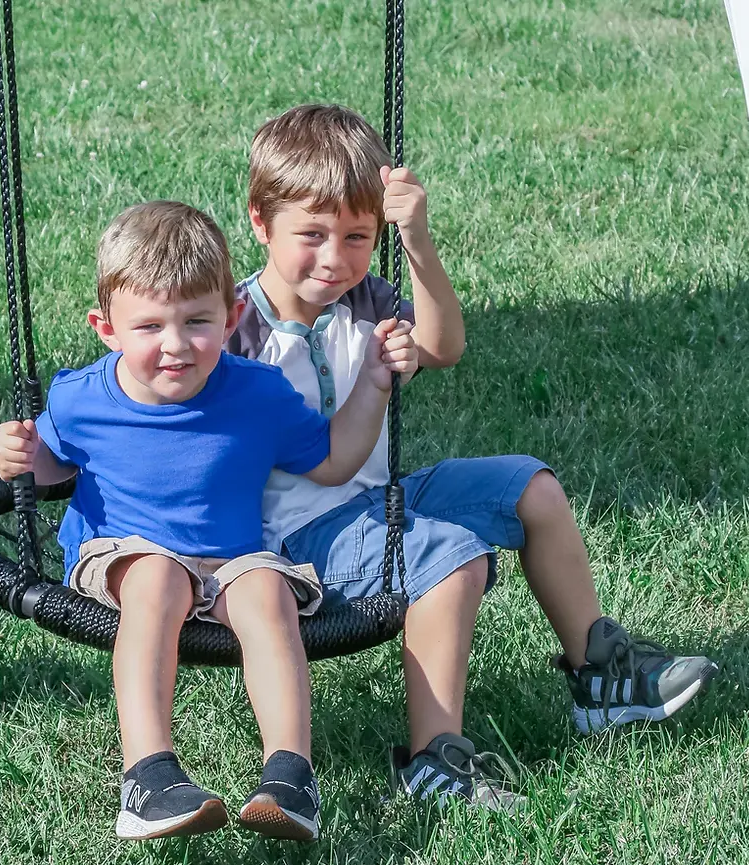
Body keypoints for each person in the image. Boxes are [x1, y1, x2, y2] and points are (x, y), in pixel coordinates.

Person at [226, 104, 718, 810]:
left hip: (373, 501)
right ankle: (434, 761)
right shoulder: (234, 329)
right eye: (312, 235)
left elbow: (446, 344)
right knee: (452, 555)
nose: (335, 259)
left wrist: (416, 240)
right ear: (259, 221)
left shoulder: (365, 300)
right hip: (294, 544)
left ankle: (600, 678)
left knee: (532, 487)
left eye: (358, 237)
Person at [0, 201, 417, 840]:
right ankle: (148, 775)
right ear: (106, 329)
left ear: (233, 316)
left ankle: (291, 775)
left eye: (197, 322)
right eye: (148, 327)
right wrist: (23, 458)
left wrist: (375, 385)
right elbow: (54, 466)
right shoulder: (81, 396)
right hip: (126, 551)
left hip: (231, 556)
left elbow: (332, 461)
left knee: (268, 592)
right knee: (159, 580)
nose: (174, 346)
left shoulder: (259, 392)